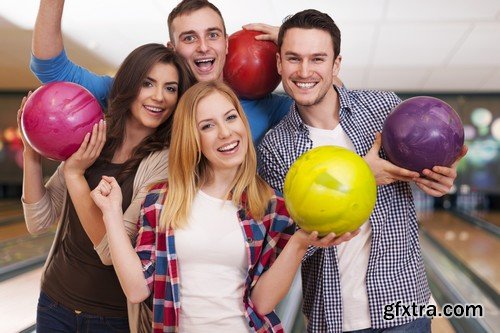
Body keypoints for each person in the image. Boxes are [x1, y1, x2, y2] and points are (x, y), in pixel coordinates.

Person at [257, 10, 468, 333]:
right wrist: (361, 174)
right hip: (334, 317)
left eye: (317, 59)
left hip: (404, 306)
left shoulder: (383, 109)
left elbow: (423, 171)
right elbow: (291, 243)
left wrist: (439, 178)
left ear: (336, 65)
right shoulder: (274, 149)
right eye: (293, 58)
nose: (304, 71)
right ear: (279, 64)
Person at [90, 81, 356, 332]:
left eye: (231, 117)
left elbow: (263, 303)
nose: (226, 133)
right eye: (208, 126)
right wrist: (111, 213)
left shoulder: (272, 207)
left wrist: (300, 242)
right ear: (193, 138)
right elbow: (137, 289)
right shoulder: (160, 201)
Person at [20, 43, 193, 333]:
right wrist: (31, 152)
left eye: (170, 88)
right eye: (148, 83)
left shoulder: (165, 163)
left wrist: (76, 176)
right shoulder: (93, 135)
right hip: (54, 303)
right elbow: (38, 220)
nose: (159, 97)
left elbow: (111, 252)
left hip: (112, 318)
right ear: (129, 83)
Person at [30, 0, 292, 145]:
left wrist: (295, 42)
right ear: (173, 49)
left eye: (212, 35)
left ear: (226, 43)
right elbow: (50, 67)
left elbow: (330, 103)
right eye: (189, 38)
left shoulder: (262, 105)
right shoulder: (145, 97)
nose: (203, 47)